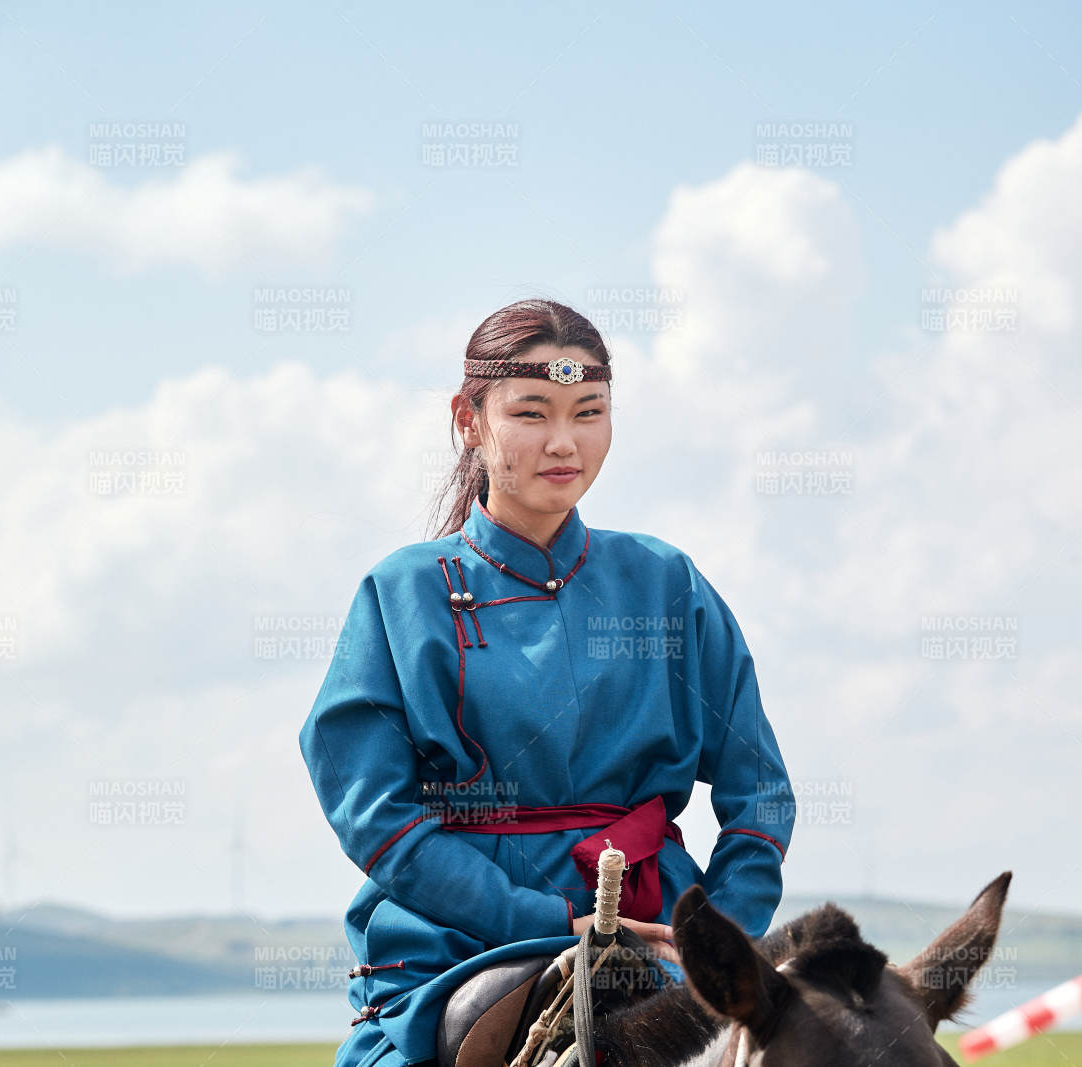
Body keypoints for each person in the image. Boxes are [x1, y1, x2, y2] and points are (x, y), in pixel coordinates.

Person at [299, 298, 796, 1067]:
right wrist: (544, 919)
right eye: (531, 413)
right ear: (468, 419)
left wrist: (716, 939)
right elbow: (375, 815)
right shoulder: (403, 594)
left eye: (588, 412)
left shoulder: (667, 584)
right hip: (453, 942)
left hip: (661, 932)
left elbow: (759, 796)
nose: (564, 442)